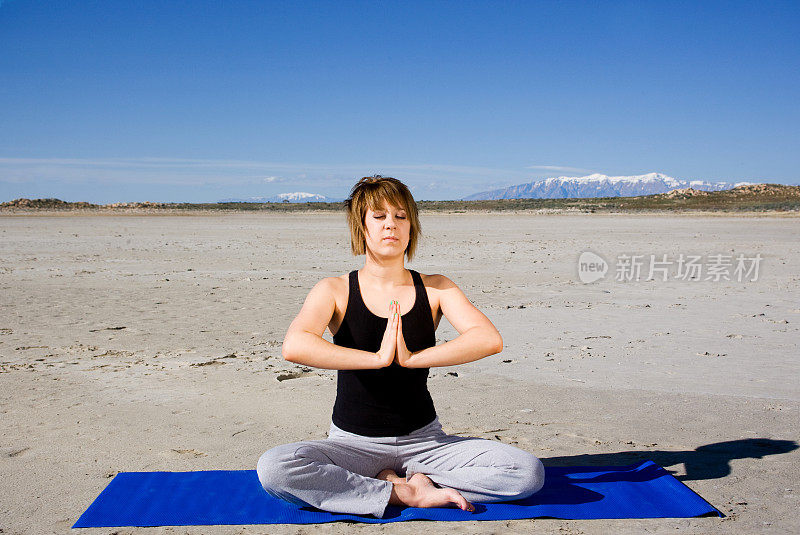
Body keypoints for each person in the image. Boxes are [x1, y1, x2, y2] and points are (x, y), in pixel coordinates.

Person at [256, 175, 545, 518]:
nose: (390, 225)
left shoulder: (436, 288)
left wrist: (412, 358)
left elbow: (487, 339)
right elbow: (295, 344)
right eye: (378, 217)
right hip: (352, 444)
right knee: (275, 468)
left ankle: (411, 479)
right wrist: (376, 359)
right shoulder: (334, 289)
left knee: (527, 473)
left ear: (411, 228)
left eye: (401, 216)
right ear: (361, 227)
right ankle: (399, 490)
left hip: (426, 442)